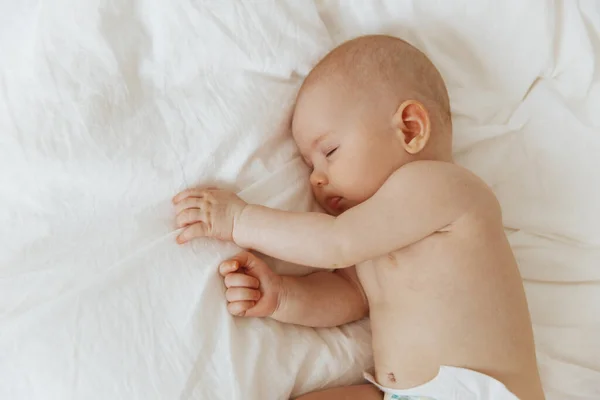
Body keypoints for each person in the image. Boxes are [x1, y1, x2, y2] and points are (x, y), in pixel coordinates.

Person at [172, 35, 545, 400]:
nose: (316, 179)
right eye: (309, 165)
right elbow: (350, 296)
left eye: (330, 150)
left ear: (410, 129)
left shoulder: (442, 186)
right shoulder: (374, 230)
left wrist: (239, 219)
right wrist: (283, 296)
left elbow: (335, 244)